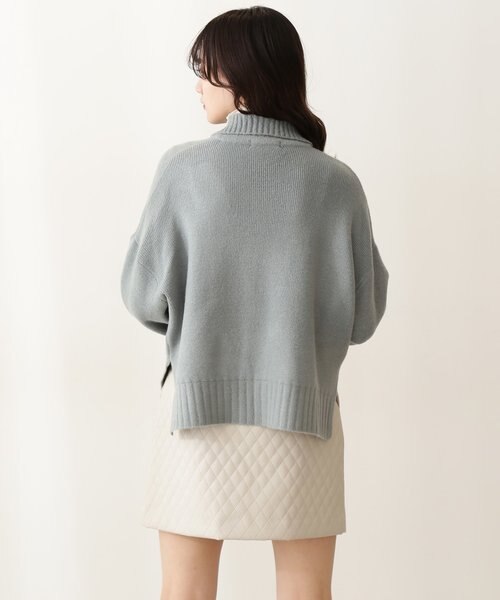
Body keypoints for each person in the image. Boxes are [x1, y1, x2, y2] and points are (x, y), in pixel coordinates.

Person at [120, 6, 389, 600]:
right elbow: (364, 317)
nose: (197, 84)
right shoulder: (337, 182)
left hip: (195, 414)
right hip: (305, 418)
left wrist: (205, 315)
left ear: (239, 73)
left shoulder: (182, 170)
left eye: (205, 69)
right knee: (306, 591)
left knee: (185, 590)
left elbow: (141, 295)